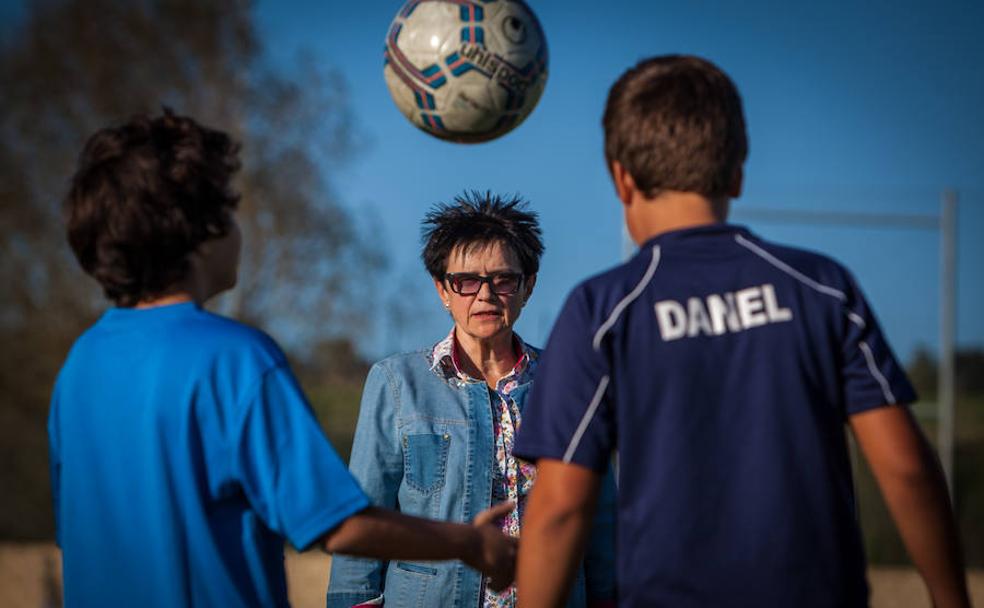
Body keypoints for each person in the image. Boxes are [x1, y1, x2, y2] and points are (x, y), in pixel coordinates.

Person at [512, 55, 971, 608]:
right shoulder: (821, 287)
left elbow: (560, 508)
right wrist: (952, 598)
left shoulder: (601, 310)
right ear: (737, 171)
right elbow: (906, 467)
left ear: (622, 177)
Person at [48, 110, 517, 608]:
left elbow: (76, 533)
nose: (237, 229)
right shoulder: (236, 360)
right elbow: (337, 525)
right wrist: (470, 543)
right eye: (229, 212)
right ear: (199, 231)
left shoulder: (79, 367)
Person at [327, 193, 615, 608]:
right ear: (442, 289)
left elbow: (601, 522)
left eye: (503, 280)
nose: (485, 296)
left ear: (527, 286)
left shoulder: (570, 385)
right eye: (466, 282)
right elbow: (363, 523)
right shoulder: (396, 383)